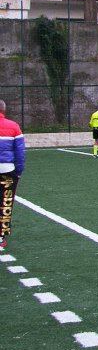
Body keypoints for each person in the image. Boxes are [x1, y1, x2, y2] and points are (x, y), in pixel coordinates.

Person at [0, 100, 26, 251]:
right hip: (7, 170)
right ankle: (1, 236)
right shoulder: (14, 126)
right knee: (6, 201)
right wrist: (19, 171)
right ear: (4, 110)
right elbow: (20, 153)